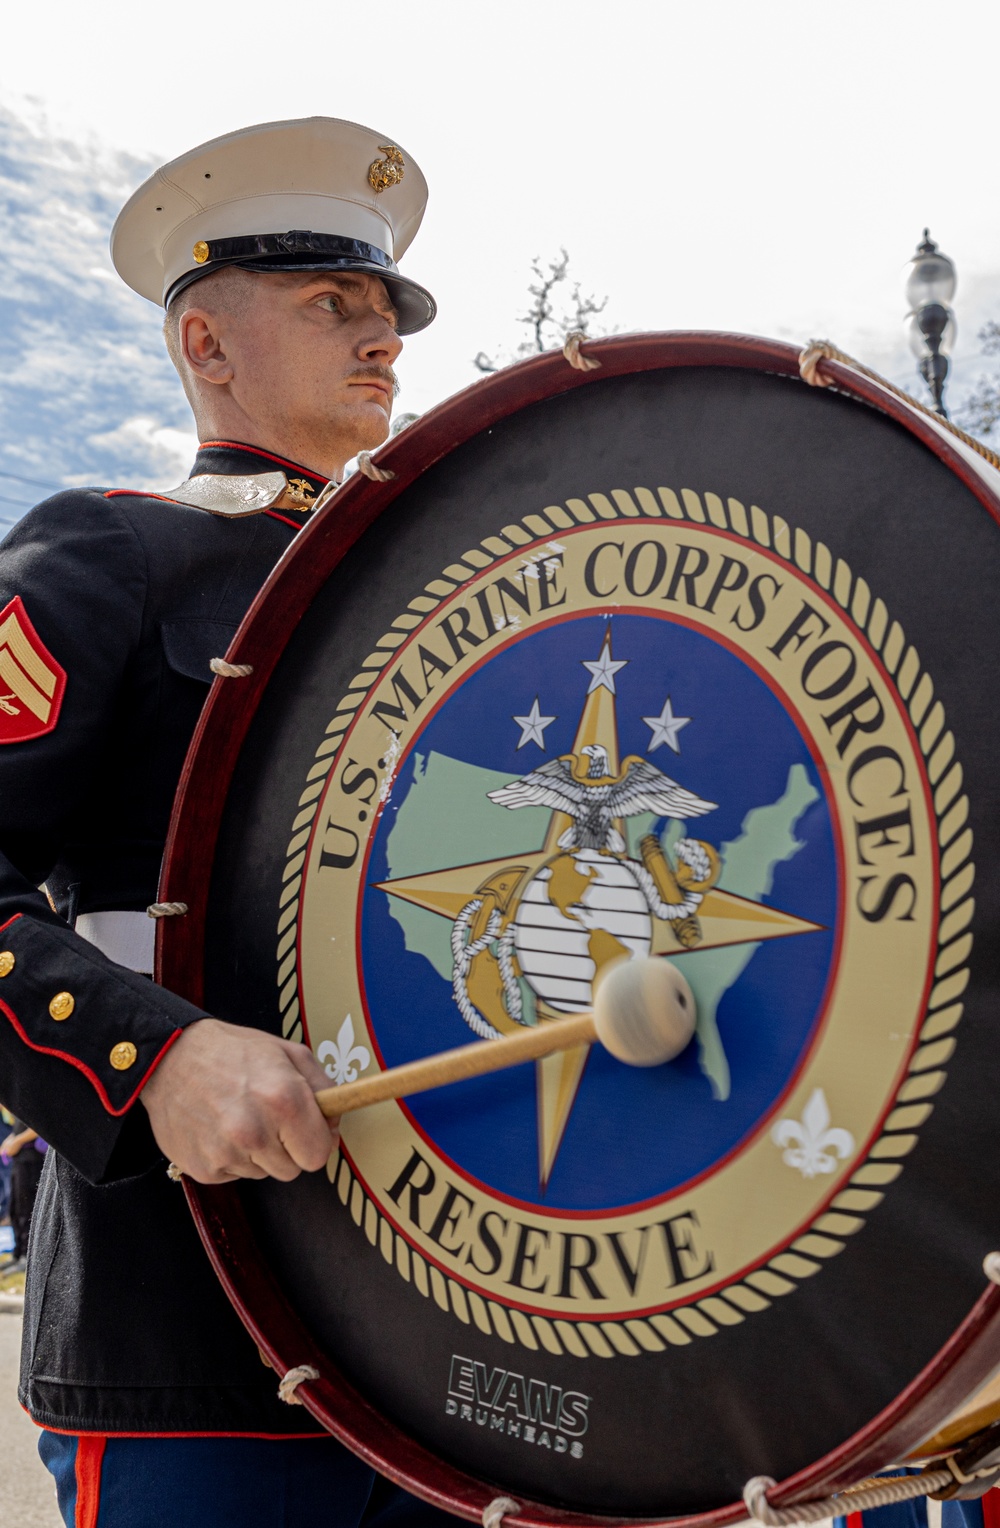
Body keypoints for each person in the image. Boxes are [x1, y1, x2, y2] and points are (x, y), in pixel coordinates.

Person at [0, 116, 455, 1528]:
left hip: (473, 1354)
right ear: (206, 347)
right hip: (202, 1341)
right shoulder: (117, 551)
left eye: (387, 315)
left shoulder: (462, 598)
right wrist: (156, 1056)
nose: (382, 341)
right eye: (335, 306)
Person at [0, 1117, 47, 1270]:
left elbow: (41, 1124)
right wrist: (11, 1138)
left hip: (32, 1158)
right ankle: (18, 1252)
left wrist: (18, 1141)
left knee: (27, 1211)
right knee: (15, 1209)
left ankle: (27, 1257)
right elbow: (20, 1127)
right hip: (19, 1158)